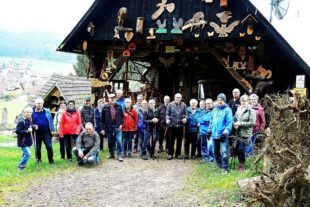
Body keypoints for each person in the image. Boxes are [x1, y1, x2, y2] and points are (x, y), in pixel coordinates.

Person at [207, 93, 233, 174]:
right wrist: (209, 130)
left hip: (223, 135)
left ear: (224, 101)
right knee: (216, 151)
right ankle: (219, 166)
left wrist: (225, 133)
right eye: (218, 100)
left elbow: (229, 123)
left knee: (224, 152)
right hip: (215, 135)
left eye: (221, 100)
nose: (219, 101)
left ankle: (225, 168)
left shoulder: (228, 110)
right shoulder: (214, 110)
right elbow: (211, 121)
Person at [233, 95, 256, 172]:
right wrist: (234, 123)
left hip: (246, 133)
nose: (243, 103)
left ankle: (241, 165)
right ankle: (240, 162)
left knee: (241, 149)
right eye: (242, 101)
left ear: (248, 102)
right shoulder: (238, 109)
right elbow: (234, 118)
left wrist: (240, 124)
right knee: (237, 149)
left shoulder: (251, 111)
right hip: (237, 132)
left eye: (245, 101)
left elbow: (252, 123)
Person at [101, 93, 124, 162]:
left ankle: (119, 155)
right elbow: (102, 120)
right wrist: (103, 128)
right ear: (108, 99)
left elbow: (122, 116)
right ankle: (111, 154)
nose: (112, 99)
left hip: (117, 126)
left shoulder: (119, 106)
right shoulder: (105, 108)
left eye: (114, 98)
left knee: (119, 141)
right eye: (111, 98)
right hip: (109, 127)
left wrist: (121, 124)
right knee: (110, 141)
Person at [32, 97, 54, 164]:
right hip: (36, 133)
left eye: (41, 103)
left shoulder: (46, 111)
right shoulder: (31, 112)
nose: (40, 105)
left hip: (46, 133)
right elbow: (28, 122)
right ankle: (38, 160)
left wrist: (52, 130)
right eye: (38, 103)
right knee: (37, 148)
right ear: (35, 104)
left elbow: (50, 121)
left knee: (49, 147)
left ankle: (51, 161)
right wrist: (33, 125)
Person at [166, 93, 187, 160]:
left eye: (179, 97)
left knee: (179, 141)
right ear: (174, 97)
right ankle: (170, 154)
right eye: (177, 97)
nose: (178, 98)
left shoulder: (184, 105)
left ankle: (178, 154)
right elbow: (167, 114)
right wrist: (167, 119)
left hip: (180, 126)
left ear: (181, 98)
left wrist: (186, 118)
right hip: (172, 126)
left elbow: (186, 114)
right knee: (171, 141)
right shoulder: (170, 104)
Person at [16, 106, 33, 171]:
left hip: (28, 141)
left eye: (30, 112)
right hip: (23, 141)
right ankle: (21, 166)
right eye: (27, 112)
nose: (29, 114)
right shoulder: (21, 121)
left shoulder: (29, 120)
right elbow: (17, 131)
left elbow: (30, 127)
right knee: (28, 154)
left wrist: (34, 126)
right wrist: (26, 131)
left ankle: (21, 165)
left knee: (24, 154)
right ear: (24, 113)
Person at [198, 98, 214, 163]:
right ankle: (205, 158)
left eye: (209, 103)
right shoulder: (203, 111)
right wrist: (203, 120)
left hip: (209, 132)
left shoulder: (214, 111)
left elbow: (208, 119)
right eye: (207, 103)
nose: (208, 104)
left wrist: (202, 120)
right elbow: (198, 119)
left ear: (212, 103)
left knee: (210, 146)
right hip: (202, 131)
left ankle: (212, 159)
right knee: (203, 145)